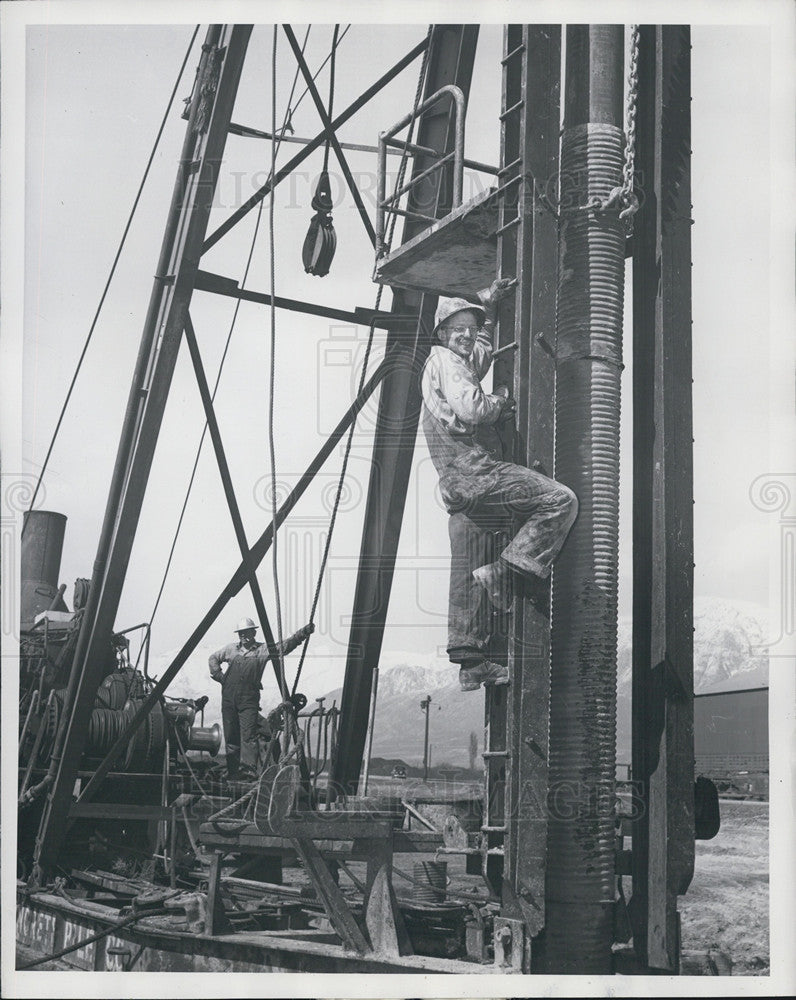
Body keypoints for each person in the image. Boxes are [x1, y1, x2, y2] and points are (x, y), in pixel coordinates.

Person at [421, 278, 578, 692]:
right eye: (459, 328)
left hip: (455, 486)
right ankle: (507, 573)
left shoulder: (449, 361)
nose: (467, 335)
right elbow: (472, 406)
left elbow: (475, 361)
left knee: (468, 563)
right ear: (441, 333)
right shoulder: (445, 362)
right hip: (475, 470)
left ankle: (471, 662)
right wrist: (503, 401)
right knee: (559, 500)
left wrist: (487, 313)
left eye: (471, 329)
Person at [209, 617, 313, 780]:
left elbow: (283, 647)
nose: (244, 636)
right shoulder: (230, 650)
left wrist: (302, 634)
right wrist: (219, 676)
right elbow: (213, 658)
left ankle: (248, 771)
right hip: (228, 700)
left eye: (247, 632)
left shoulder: (262, 650)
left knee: (248, 736)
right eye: (241, 633)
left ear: (254, 632)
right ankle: (233, 772)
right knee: (231, 737)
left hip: (249, 700)